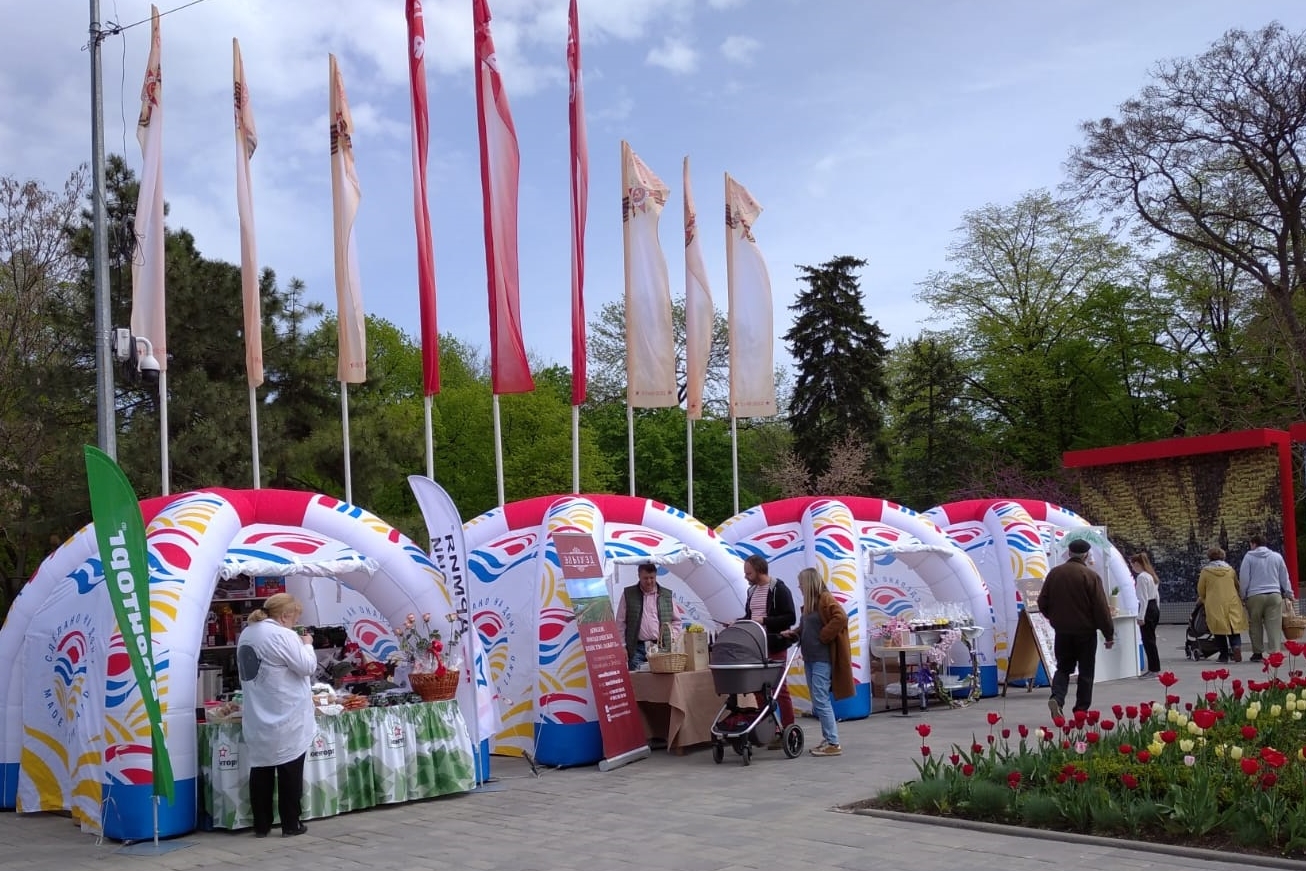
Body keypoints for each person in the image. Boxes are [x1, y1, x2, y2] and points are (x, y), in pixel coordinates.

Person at [237, 592, 318, 838]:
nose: (295, 623)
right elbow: (307, 667)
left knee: (260, 768)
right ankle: (291, 823)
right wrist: (308, 644)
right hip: (286, 711)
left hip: (258, 710)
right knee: (289, 768)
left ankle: (261, 824)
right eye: (294, 618)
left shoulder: (248, 632)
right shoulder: (283, 635)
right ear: (285, 616)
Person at [1037, 539, 1114, 718]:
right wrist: (1108, 634)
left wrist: (1054, 618)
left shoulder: (1055, 574)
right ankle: (1081, 710)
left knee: (1063, 668)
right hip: (1085, 633)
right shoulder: (1091, 576)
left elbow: (1042, 602)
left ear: (1069, 553)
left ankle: (1057, 697)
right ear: (1086, 555)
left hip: (1062, 632)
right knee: (1086, 671)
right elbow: (1101, 608)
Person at [780, 568, 853, 757]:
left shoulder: (825, 599)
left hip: (822, 658)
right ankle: (828, 738)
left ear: (809, 583)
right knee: (817, 700)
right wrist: (794, 633)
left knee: (821, 700)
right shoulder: (810, 605)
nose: (799, 586)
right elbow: (806, 627)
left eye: (801, 583)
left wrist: (824, 636)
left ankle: (833, 743)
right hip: (811, 658)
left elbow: (841, 617)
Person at [742, 554, 797, 748]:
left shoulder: (779, 589)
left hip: (774, 644)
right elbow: (750, 615)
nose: (746, 576)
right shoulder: (751, 591)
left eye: (748, 573)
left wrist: (764, 621)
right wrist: (739, 622)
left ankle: (789, 729)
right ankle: (771, 728)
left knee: (780, 689)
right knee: (759, 690)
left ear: (758, 570)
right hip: (756, 645)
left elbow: (790, 617)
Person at [1239, 534, 1295, 661]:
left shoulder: (1248, 557)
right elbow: (1284, 577)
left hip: (1254, 596)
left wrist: (1243, 595)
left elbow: (1244, 578)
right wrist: (1289, 593)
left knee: (1255, 624)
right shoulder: (1277, 556)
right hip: (1274, 595)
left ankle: (1258, 653)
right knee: (1274, 625)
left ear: (1253, 544)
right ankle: (1275, 652)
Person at [615, 562, 674, 670]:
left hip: (661, 647)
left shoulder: (666, 595)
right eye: (645, 578)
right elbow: (620, 622)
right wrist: (622, 646)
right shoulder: (628, 594)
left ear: (656, 576)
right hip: (637, 648)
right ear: (639, 576)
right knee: (639, 684)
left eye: (652, 578)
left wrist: (672, 639)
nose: (649, 581)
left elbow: (676, 621)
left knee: (662, 682)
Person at [1197, 546, 1247, 664]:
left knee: (1218, 630)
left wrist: (1203, 598)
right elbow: (1237, 585)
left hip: (1214, 603)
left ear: (1209, 557)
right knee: (1233, 627)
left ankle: (1223, 656)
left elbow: (1201, 589)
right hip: (1232, 602)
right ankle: (1236, 647)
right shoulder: (1230, 570)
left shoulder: (1205, 572)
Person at [1130, 553, 1162, 678]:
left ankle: (1154, 669)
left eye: (1132, 565)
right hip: (1153, 607)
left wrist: (1141, 616)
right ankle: (1154, 668)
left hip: (1147, 608)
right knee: (1151, 639)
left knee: (1148, 640)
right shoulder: (1151, 576)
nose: (1132, 567)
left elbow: (1143, 599)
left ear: (1137, 564)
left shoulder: (1142, 578)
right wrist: (1157, 610)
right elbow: (1157, 596)